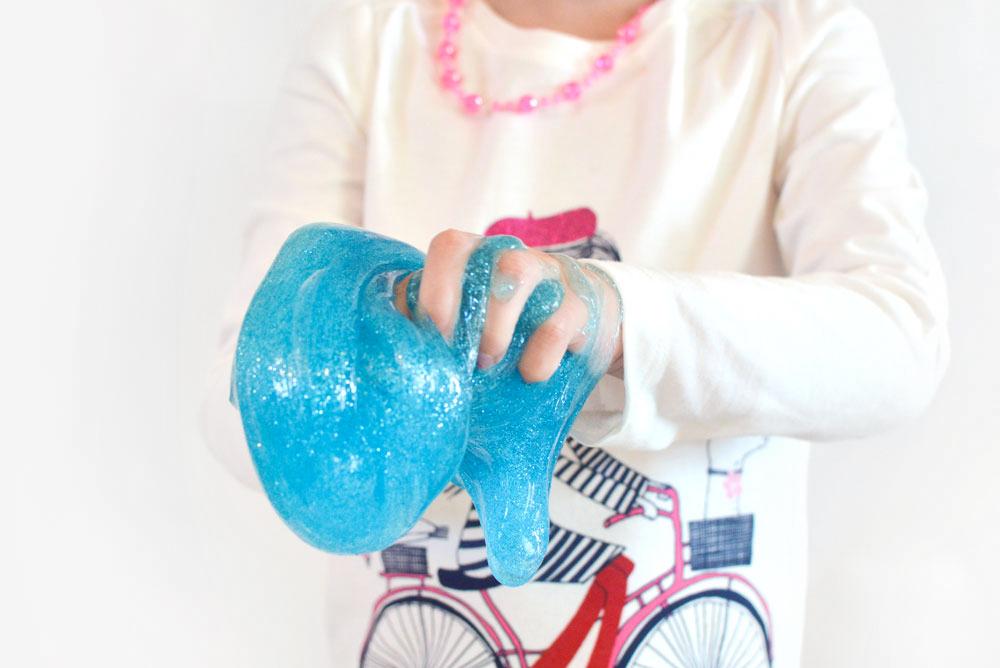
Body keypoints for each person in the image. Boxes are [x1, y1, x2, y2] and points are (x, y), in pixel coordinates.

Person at [200, 0, 949, 665]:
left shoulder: (790, 42)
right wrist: (386, 338)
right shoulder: (368, 42)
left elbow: (899, 337)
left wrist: (621, 319)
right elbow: (232, 403)